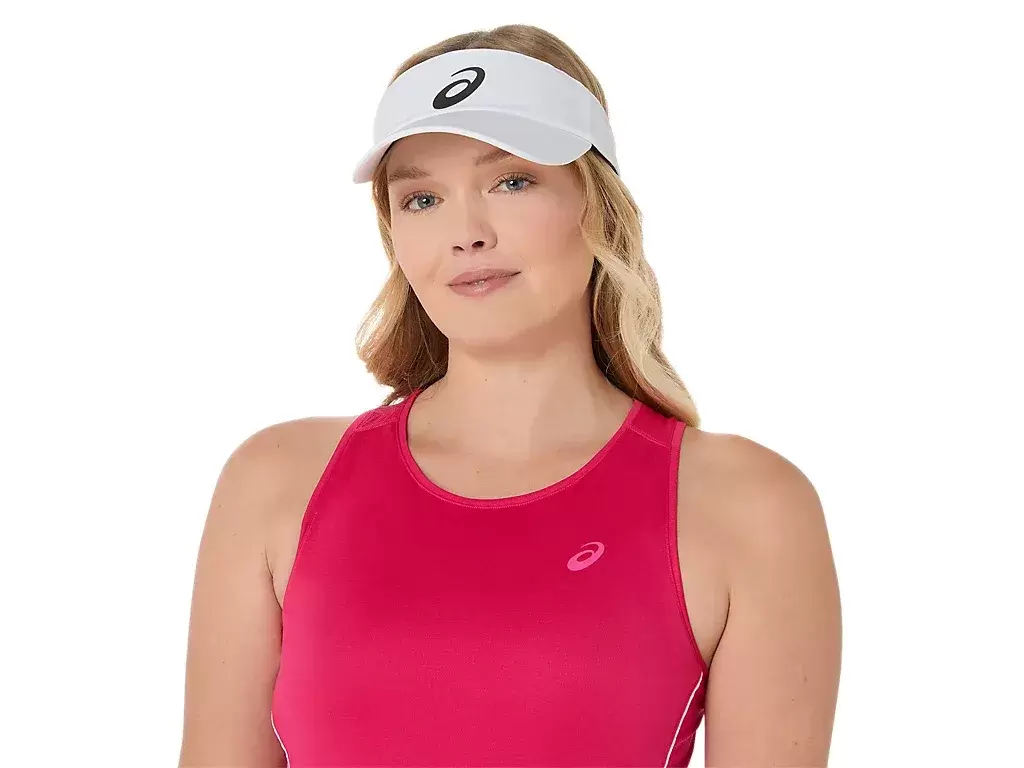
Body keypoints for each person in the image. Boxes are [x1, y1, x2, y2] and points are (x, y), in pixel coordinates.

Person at [177, 24, 842, 768]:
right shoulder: (277, 484)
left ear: (597, 206)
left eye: (512, 182)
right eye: (422, 198)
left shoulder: (745, 506)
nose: (466, 233)